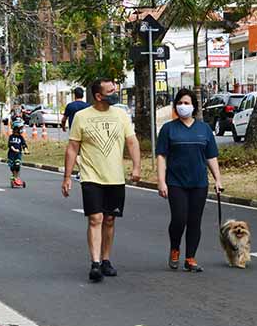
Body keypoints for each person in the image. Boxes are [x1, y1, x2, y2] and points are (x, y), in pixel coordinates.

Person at [62, 79, 141, 282]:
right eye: (110, 91)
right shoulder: (82, 117)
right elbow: (72, 148)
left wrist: (136, 166)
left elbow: (132, 142)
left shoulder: (121, 115)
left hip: (115, 177)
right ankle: (95, 263)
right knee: (95, 218)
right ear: (98, 96)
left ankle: (106, 260)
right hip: (91, 176)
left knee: (110, 219)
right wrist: (67, 177)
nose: (114, 93)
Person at [156, 89, 222, 272]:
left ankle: (190, 258)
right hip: (176, 182)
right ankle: (175, 248)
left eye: (187, 103)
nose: (183, 106)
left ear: (194, 106)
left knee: (195, 220)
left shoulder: (204, 129)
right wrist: (161, 181)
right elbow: (161, 156)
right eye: (180, 103)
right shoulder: (169, 128)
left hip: (199, 182)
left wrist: (218, 179)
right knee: (179, 219)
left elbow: (211, 156)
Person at [8, 118, 29, 186]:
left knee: (17, 165)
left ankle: (17, 178)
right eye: (19, 128)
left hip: (18, 154)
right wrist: (14, 149)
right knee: (12, 167)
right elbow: (10, 145)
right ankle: (14, 177)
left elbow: (24, 144)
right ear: (15, 129)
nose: (20, 130)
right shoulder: (11, 137)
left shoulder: (21, 137)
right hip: (11, 154)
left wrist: (25, 150)